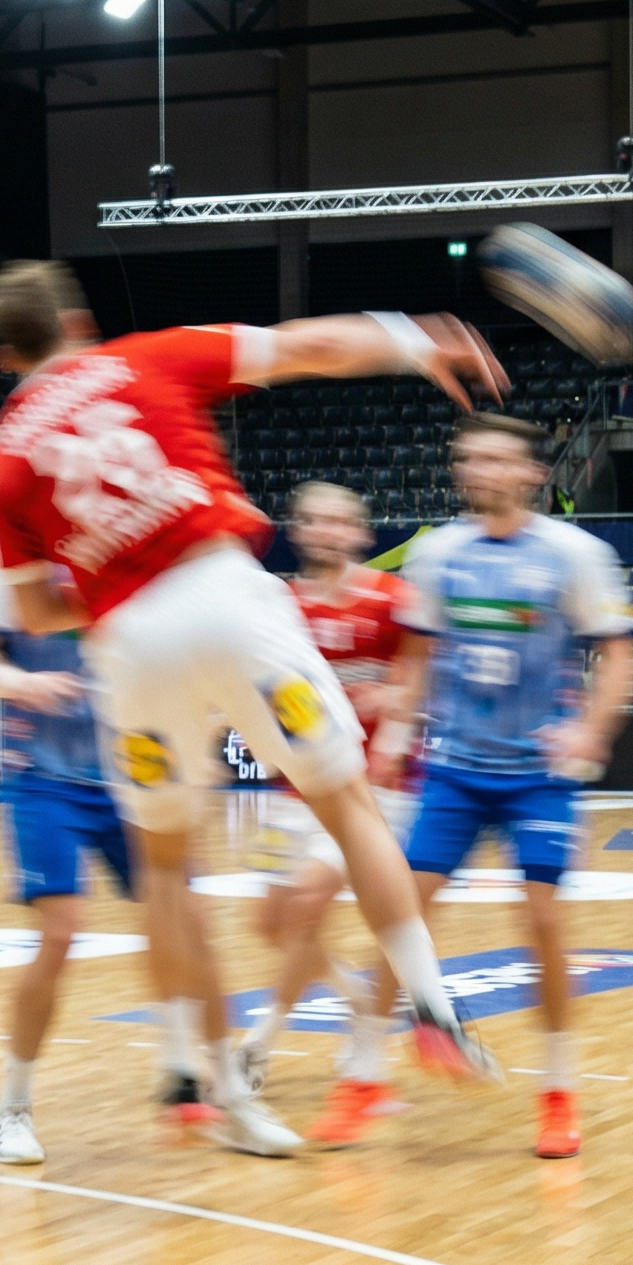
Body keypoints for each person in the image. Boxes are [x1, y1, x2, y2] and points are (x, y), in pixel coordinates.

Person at [0, 259, 502, 1149]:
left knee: (166, 871)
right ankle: (432, 1007)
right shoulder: (143, 359)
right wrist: (415, 339)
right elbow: (311, 345)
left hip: (130, 652)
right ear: (77, 318)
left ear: (0, 356)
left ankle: (220, 1094)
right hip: (226, 598)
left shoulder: (1, 466)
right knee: (348, 803)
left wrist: (106, 578)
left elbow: (31, 612)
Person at [382, 416, 633, 1159]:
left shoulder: (574, 554)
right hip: (456, 769)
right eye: (469, 458)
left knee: (544, 923)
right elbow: (414, 658)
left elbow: (620, 656)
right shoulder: (437, 554)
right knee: (400, 915)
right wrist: (397, 733)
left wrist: (590, 729)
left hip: (538, 775)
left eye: (497, 458)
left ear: (531, 474)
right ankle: (362, 1077)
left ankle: (558, 1093)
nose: (480, 469)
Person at [0, 534, 197, 1163]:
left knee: (181, 920)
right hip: (45, 774)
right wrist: (14, 680)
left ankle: (186, 1074)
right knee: (60, 933)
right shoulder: (8, 548)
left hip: (139, 763)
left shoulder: (148, 532)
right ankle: (14, 1108)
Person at [234, 481, 427, 1149]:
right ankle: (357, 999)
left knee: (309, 903)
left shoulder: (391, 598)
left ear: (360, 532)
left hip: (370, 790)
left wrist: (394, 712)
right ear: (297, 530)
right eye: (311, 520)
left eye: (337, 521)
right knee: (271, 922)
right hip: (295, 788)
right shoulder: (281, 603)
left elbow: (420, 669)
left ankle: (257, 1045)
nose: (324, 531)